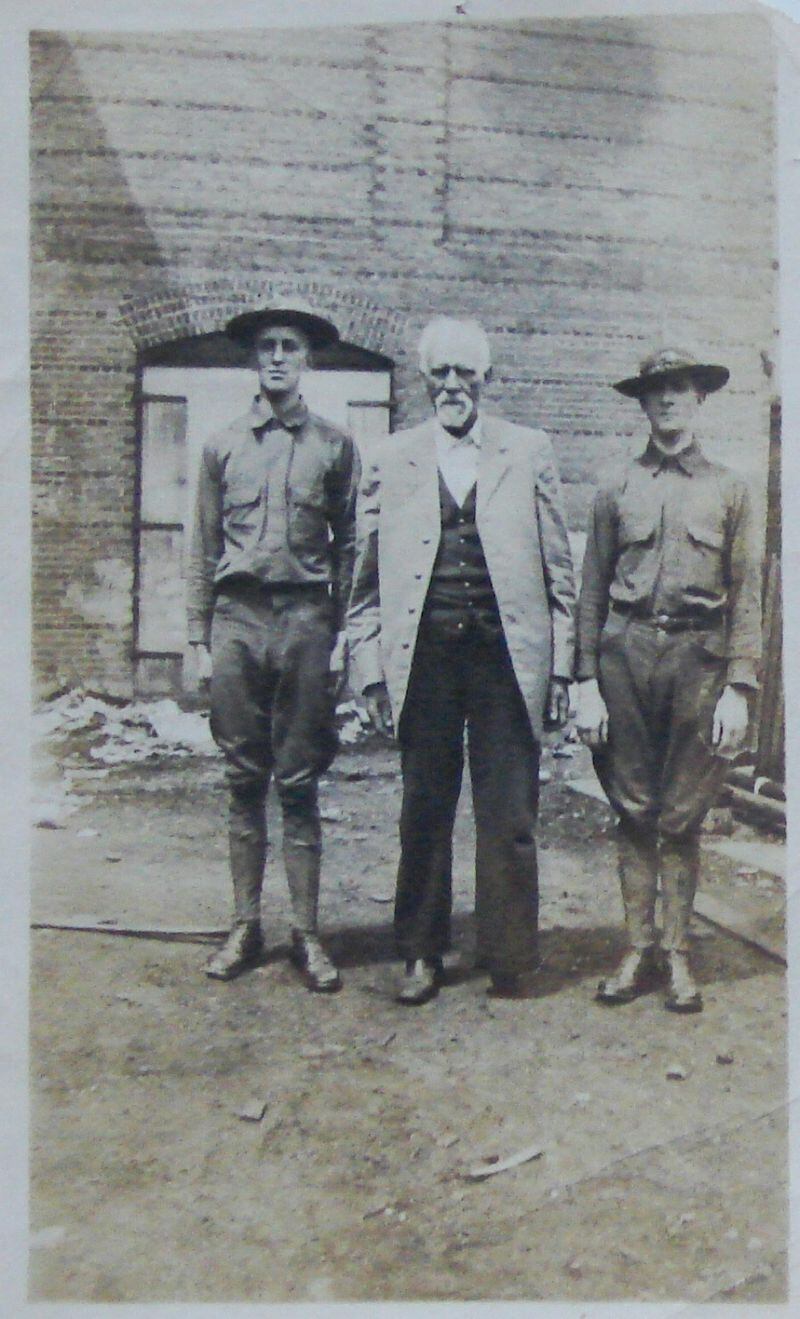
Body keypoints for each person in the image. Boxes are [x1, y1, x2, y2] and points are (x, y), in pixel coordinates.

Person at [347, 316, 576, 1003]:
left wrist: (559, 668)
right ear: (423, 380)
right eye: (439, 373)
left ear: (486, 379)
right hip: (425, 664)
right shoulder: (390, 457)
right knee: (424, 807)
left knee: (509, 812)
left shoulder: (528, 450)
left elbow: (560, 571)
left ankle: (509, 952)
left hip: (508, 661)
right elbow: (363, 584)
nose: (452, 385)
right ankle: (420, 950)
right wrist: (369, 672)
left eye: (465, 373)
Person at [575, 348, 762, 1013]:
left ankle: (679, 953)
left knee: (681, 814)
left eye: (680, 389)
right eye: (657, 391)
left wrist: (740, 688)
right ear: (643, 402)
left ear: (699, 399)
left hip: (698, 662)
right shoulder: (613, 486)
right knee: (631, 806)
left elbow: (747, 596)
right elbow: (590, 590)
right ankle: (636, 946)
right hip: (624, 658)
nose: (669, 401)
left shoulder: (732, 488)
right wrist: (583, 681)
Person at [187, 298, 360, 990]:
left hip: (306, 623)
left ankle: (308, 934)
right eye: (267, 347)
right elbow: (201, 548)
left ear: (309, 359)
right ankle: (243, 924)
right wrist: (201, 637)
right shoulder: (221, 445)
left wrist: (344, 632)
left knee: (298, 780)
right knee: (241, 777)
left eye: (291, 346)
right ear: (253, 361)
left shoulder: (334, 446)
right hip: (239, 619)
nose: (279, 357)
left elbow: (350, 545)